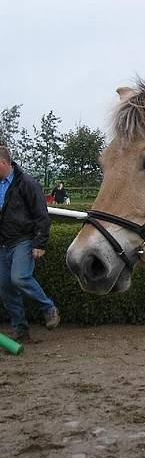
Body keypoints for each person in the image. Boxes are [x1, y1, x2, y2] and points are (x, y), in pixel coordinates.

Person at [0, 145, 60, 341]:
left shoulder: (26, 183)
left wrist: (39, 243)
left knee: (20, 277)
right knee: (5, 287)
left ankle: (48, 307)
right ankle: (20, 328)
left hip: (23, 240)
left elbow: (42, 216)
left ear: (2, 163)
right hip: (3, 244)